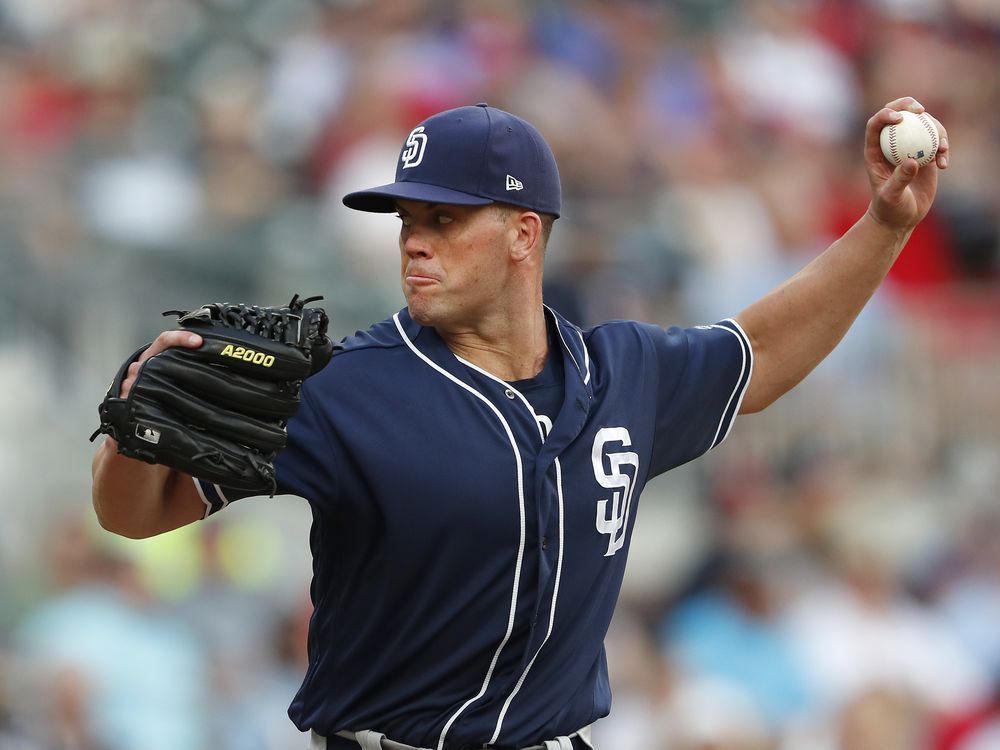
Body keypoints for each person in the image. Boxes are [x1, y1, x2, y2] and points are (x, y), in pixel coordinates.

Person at [91, 98, 948, 750]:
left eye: (444, 219)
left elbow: (760, 350)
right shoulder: (345, 387)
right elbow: (135, 514)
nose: (413, 243)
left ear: (522, 235)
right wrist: (134, 431)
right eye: (407, 222)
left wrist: (884, 225)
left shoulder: (627, 375)